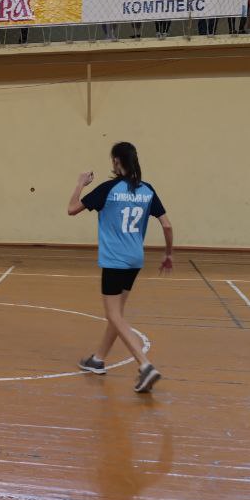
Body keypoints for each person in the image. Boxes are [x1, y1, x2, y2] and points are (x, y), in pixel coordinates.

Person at [67, 141, 173, 394]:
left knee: (113, 315)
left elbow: (72, 209)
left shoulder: (109, 189)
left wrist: (80, 183)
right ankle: (98, 359)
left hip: (114, 260)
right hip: (135, 260)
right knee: (117, 313)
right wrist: (168, 254)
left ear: (116, 161)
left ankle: (145, 366)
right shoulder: (147, 190)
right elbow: (167, 225)